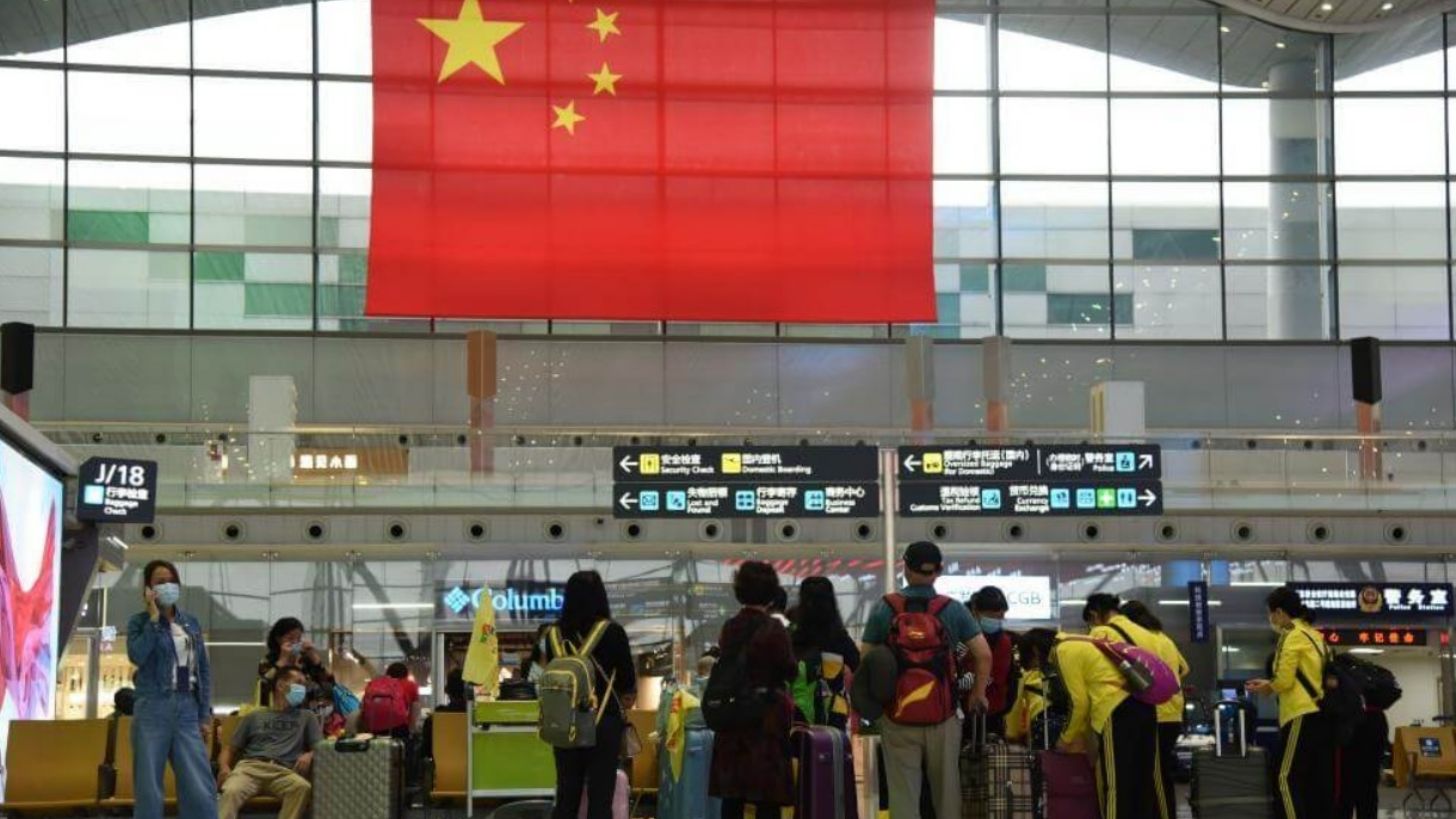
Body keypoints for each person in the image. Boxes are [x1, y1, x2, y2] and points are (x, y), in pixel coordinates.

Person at [861, 541, 991, 819]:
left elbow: (866, 660)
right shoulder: (954, 609)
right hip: (943, 717)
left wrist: (877, 705)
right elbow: (983, 655)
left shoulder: (885, 607)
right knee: (947, 793)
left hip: (897, 716)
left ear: (905, 568)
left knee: (903, 795)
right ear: (939, 571)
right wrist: (977, 694)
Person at [1021, 627, 1163, 819]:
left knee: (1115, 784)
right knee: (1141, 781)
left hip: (1115, 709)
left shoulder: (1062, 651)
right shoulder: (1081, 640)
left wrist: (1065, 739)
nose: (1039, 668)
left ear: (1035, 651)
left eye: (1033, 663)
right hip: (1144, 705)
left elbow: (1079, 703)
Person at [541, 570, 637, 819]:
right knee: (600, 799)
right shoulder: (613, 632)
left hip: (564, 723)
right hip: (602, 723)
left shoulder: (553, 635)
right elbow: (627, 681)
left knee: (566, 796)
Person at [126, 559, 218, 819]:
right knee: (149, 786)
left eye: (171, 580)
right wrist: (154, 620)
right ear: (148, 589)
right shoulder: (139, 622)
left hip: (187, 707)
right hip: (152, 707)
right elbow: (137, 655)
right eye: (160, 582)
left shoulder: (191, 623)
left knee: (199, 785)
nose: (167, 585)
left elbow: (202, 669)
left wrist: (204, 714)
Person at [709, 561, 798, 819]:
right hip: (764, 722)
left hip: (732, 719)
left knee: (733, 796)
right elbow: (789, 669)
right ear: (771, 593)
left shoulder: (730, 627)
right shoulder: (774, 629)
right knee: (766, 797)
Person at [1245, 586, 1333, 819]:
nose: (1270, 619)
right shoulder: (1314, 635)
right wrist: (1270, 683)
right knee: (1310, 781)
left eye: (1270, 613)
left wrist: (1268, 687)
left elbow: (1284, 680)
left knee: (1284, 777)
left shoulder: (1291, 635)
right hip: (1318, 714)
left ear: (1280, 612)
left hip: (1299, 714)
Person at [217, 666, 321, 819]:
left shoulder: (307, 717)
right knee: (231, 791)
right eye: (298, 683)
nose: (302, 689)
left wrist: (310, 754)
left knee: (302, 787)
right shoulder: (254, 716)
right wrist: (224, 767)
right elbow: (229, 748)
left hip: (283, 771)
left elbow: (321, 748)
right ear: (280, 685)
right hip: (250, 768)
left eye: (304, 685)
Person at [1118, 600, 1190, 819]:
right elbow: (1184, 668)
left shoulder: (1140, 640)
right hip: (1173, 712)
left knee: (1156, 775)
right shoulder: (1164, 638)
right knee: (1159, 772)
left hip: (1157, 713)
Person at [789, 576, 861, 729]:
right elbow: (856, 663)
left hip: (799, 710)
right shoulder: (838, 635)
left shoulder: (793, 634)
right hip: (834, 710)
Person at [969, 586, 1016, 735]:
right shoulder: (963, 637)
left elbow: (997, 678)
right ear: (976, 611)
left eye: (1001, 616)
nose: (997, 620)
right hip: (962, 711)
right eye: (991, 615)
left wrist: (969, 683)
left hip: (992, 710)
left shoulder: (1003, 641)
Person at [258, 617, 327, 708]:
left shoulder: (305, 660)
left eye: (299, 639)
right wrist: (281, 661)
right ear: (278, 639)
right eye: (290, 638)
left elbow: (327, 687)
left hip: (307, 711)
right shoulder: (268, 660)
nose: (295, 642)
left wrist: (316, 661)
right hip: (277, 710)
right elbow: (263, 687)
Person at [1339, 697, 1390, 819]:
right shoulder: (1378, 714)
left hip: (1351, 728)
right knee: (1368, 797)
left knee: (1346, 796)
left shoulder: (1350, 715)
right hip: (1373, 725)